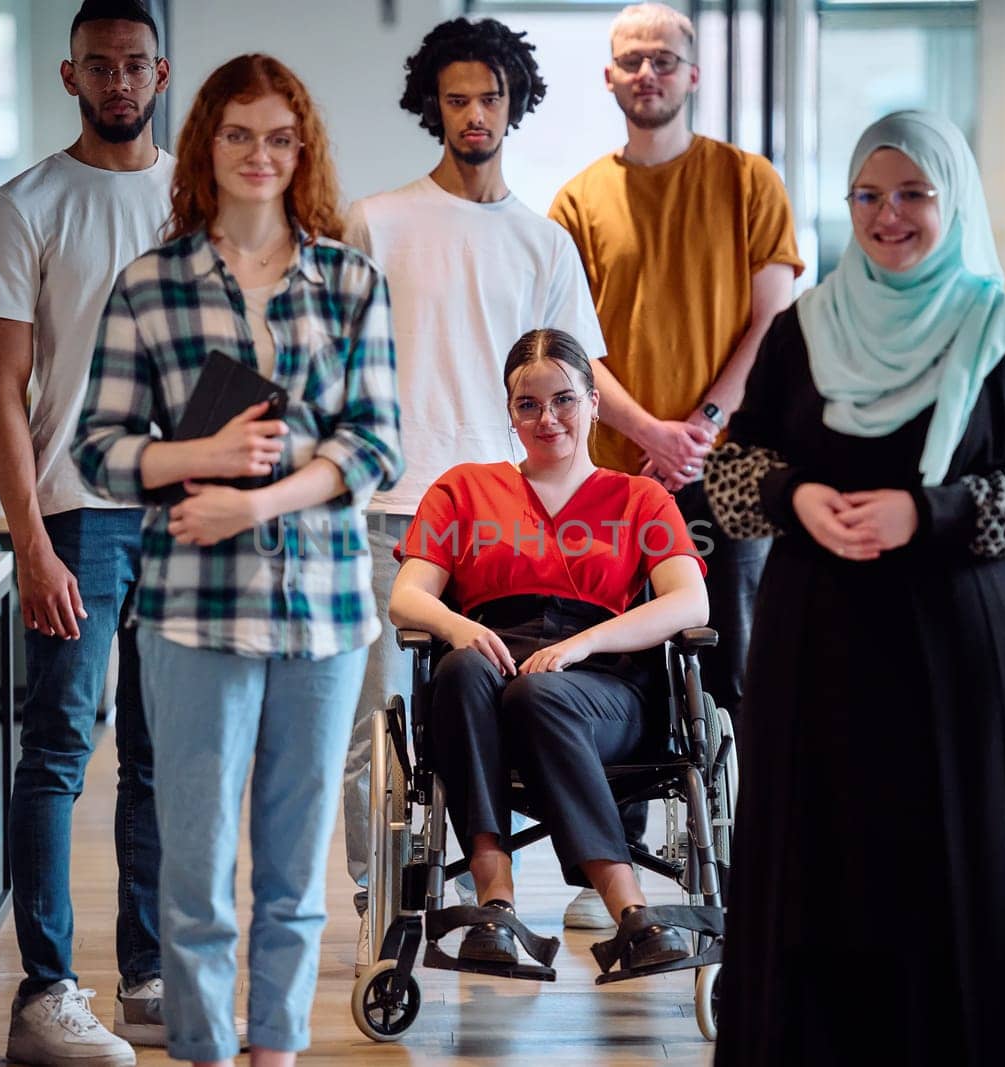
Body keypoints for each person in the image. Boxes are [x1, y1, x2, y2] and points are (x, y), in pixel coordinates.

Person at [705, 111, 1005, 1064]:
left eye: (913, 192)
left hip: (961, 658)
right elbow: (732, 471)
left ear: (951, 201)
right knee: (822, 871)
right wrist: (795, 495)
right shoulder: (804, 329)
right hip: (819, 656)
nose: (889, 215)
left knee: (961, 866)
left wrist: (935, 514)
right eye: (868, 196)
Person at [72, 53, 402, 1067]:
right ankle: (210, 1052)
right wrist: (201, 456)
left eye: (280, 136)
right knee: (198, 870)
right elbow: (99, 446)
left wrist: (255, 494)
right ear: (204, 144)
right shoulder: (149, 284)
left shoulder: (350, 281)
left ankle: (278, 1052)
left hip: (328, 609)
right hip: (190, 611)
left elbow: (374, 444)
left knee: (298, 874)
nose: (260, 155)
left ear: (303, 151)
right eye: (238, 133)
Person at [339, 15, 611, 959]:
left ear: (515, 103)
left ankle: (503, 888)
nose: (474, 114)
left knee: (490, 698)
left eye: (490, 96)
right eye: (456, 98)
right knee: (377, 717)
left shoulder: (544, 243)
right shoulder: (377, 220)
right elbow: (333, 360)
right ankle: (386, 911)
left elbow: (574, 385)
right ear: (433, 107)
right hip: (392, 505)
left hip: (505, 518)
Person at [547, 8, 804, 928]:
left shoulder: (746, 179)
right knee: (618, 662)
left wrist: (698, 422)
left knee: (740, 661)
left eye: (664, 59)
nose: (647, 72)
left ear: (693, 74)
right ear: (609, 81)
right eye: (630, 61)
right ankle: (608, 861)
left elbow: (773, 310)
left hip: (731, 469)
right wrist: (647, 430)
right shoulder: (576, 201)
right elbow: (570, 344)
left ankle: (752, 847)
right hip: (616, 474)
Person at [0, 1, 171, 1060]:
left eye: (135, 64)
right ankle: (45, 991)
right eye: (101, 66)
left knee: (161, 752)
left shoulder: (200, 198)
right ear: (70, 76)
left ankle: (148, 971)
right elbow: (1, 394)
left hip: (183, 512)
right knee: (57, 746)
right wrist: (30, 542)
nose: (120, 82)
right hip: (78, 511)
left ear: (162, 72)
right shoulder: (24, 204)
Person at [388, 328, 707, 967]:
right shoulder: (463, 489)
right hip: (492, 664)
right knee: (457, 671)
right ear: (509, 414)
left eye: (563, 399)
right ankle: (496, 908)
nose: (547, 418)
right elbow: (408, 596)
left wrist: (582, 646)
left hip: (605, 686)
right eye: (527, 405)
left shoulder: (639, 498)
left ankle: (629, 908)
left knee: (541, 691)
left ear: (594, 402)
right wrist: (457, 626)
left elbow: (689, 603)